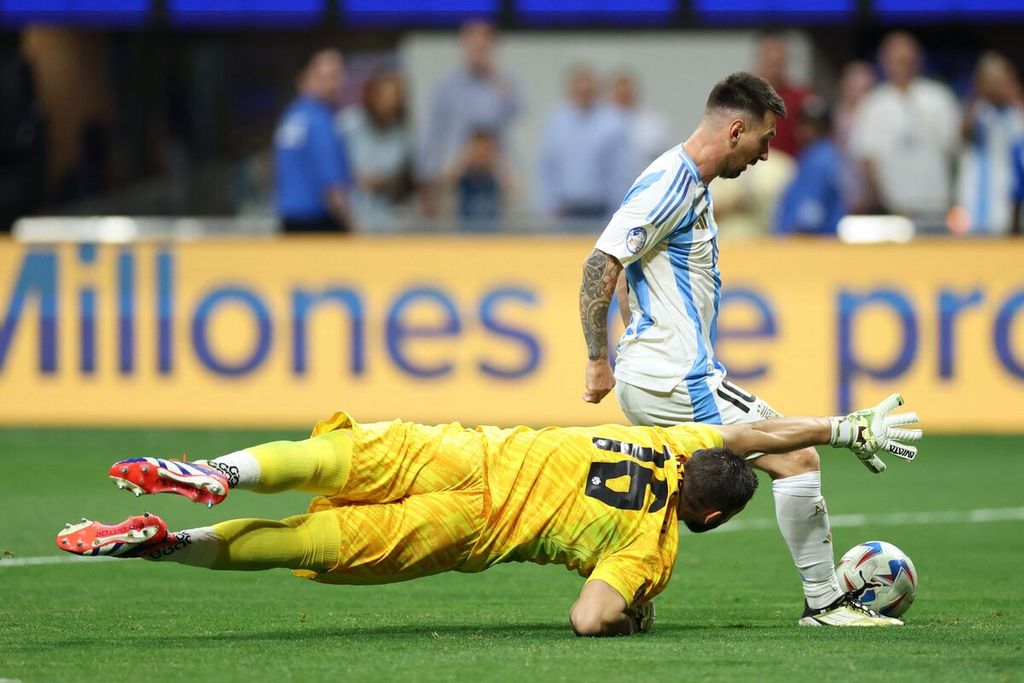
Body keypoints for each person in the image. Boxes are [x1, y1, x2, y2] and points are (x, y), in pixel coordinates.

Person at [58, 395, 920, 634]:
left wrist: (841, 427)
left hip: (468, 450)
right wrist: (630, 617)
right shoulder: (653, 545)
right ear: (707, 519)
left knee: (333, 455)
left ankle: (217, 469)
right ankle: (168, 548)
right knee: (312, 541)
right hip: (469, 529)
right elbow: (589, 617)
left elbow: (755, 429)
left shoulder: (671, 439)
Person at [579, 71, 882, 627]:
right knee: (797, 457)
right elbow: (601, 264)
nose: (767, 155)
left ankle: (622, 597)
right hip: (678, 378)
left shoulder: (682, 181)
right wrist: (600, 360)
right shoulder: (673, 181)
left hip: (654, 375)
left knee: (675, 492)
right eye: (765, 140)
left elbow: (626, 274)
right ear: (737, 129)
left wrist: (629, 348)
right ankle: (825, 603)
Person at [848, 32, 960, 226]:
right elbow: (866, 159)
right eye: (898, 60)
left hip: (937, 206)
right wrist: (885, 202)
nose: (903, 66)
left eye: (908, 60)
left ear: (919, 60)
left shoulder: (939, 98)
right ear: (884, 62)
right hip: (895, 210)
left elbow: (955, 151)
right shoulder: (873, 105)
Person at [418, 20, 523, 216]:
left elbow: (515, 113)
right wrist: (430, 175)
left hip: (493, 175)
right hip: (455, 175)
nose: (478, 53)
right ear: (464, 47)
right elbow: (433, 133)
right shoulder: (447, 87)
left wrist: (497, 81)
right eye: (474, 47)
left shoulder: (502, 84)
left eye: (483, 48)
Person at [274, 49, 354, 233]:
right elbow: (332, 189)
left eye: (338, 76)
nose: (335, 84)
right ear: (306, 77)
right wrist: (353, 228)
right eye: (327, 77)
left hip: (289, 221)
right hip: (319, 224)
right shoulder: (320, 121)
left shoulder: (291, 116)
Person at [538, 66, 632, 223]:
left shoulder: (613, 123)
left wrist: (619, 213)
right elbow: (548, 167)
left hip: (601, 209)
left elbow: (619, 172)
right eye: (579, 90)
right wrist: (548, 206)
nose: (584, 93)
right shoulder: (557, 123)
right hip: (564, 210)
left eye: (588, 90)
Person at [337, 70, 414, 232]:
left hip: (385, 216)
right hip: (345, 213)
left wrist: (386, 181)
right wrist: (354, 176)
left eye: (394, 96)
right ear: (371, 96)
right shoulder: (348, 122)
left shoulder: (402, 135)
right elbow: (329, 163)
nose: (389, 102)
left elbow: (404, 177)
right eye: (384, 95)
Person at [956, 52, 1024, 235]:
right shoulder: (978, 111)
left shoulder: (1017, 114)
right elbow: (963, 133)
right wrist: (980, 92)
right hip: (973, 204)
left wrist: (1012, 93)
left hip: (1009, 204)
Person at [774, 96, 846, 235]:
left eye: (813, 125)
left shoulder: (820, 159)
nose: (806, 130)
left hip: (810, 243)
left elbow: (808, 217)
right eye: (804, 124)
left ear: (824, 127)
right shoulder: (812, 155)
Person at [754, 32, 813, 157]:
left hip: (790, 166)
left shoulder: (800, 98)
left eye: (779, 63)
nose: (775, 70)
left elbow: (811, 137)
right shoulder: (746, 97)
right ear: (761, 61)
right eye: (771, 63)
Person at [609, 71, 672, 181]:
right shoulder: (600, 125)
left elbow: (664, 157)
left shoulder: (653, 122)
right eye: (619, 92)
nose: (624, 95)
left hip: (645, 187)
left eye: (627, 91)